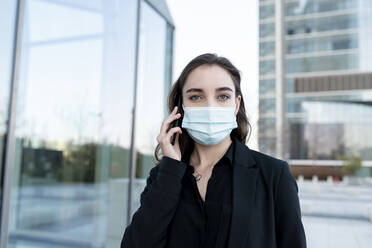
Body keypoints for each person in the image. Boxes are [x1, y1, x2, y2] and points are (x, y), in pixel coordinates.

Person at [121, 53, 307, 248]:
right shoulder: (164, 175)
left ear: (236, 105)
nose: (210, 106)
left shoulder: (274, 175)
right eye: (196, 96)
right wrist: (171, 171)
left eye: (223, 96)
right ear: (180, 108)